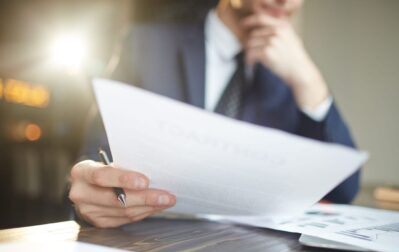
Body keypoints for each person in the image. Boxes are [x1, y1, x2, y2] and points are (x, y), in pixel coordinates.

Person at [69, 0, 360, 228]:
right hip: (145, 243)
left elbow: (345, 191)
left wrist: (310, 81)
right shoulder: (144, 46)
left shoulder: (292, 81)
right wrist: (91, 190)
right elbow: (94, 160)